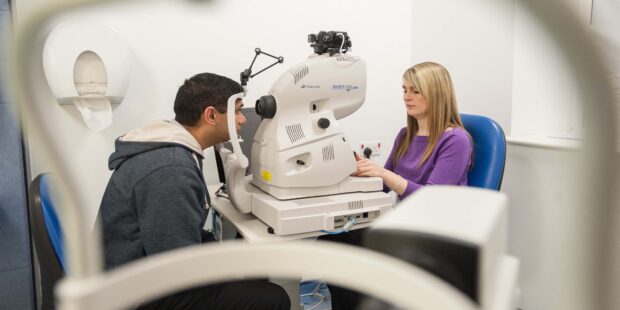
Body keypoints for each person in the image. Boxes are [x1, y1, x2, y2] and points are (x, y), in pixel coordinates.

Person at [98, 72, 290, 310]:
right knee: (272, 297)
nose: (243, 120)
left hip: (144, 275)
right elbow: (177, 268)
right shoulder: (171, 169)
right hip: (137, 295)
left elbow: (186, 239)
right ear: (211, 115)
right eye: (237, 111)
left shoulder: (175, 148)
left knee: (248, 263)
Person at [321, 62, 473, 309]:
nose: (407, 97)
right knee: (332, 242)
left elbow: (430, 199)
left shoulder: (456, 140)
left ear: (436, 93)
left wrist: (383, 174)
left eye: (415, 91)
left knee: (347, 256)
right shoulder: (405, 135)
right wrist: (359, 170)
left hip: (436, 233)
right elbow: (384, 184)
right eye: (404, 90)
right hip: (405, 225)